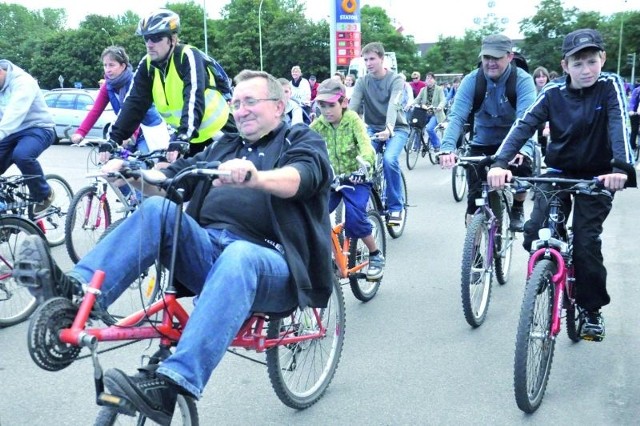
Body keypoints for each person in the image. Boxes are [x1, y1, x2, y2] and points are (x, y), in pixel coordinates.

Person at [14, 69, 334, 424]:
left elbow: (302, 177)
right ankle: (76, 295)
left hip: (273, 263)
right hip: (211, 252)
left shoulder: (298, 139)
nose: (240, 110)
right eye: (236, 102)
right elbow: (171, 179)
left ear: (279, 105)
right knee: (156, 209)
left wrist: (255, 178)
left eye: (250, 102)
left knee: (240, 255)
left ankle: (174, 383)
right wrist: (133, 175)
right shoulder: (225, 145)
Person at [486, 28, 634, 342]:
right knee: (534, 229)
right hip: (559, 171)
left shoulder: (609, 86)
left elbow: (620, 123)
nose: (586, 70)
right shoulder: (552, 91)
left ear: (602, 59)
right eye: (578, 63)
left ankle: (591, 311)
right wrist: (500, 163)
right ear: (565, 65)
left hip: (598, 176)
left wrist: (620, 168)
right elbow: (524, 124)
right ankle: (549, 269)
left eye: (592, 61)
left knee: (585, 242)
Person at [106, 8, 235, 161]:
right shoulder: (147, 65)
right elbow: (135, 102)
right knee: (164, 173)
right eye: (146, 38)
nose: (149, 44)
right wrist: (114, 138)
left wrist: (183, 136)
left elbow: (193, 98)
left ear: (172, 39)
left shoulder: (187, 56)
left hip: (218, 130)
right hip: (189, 136)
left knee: (229, 179)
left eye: (156, 38)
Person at [439, 34, 537, 230]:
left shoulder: (523, 81)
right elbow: (457, 117)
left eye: (497, 58)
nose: (490, 63)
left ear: (509, 56)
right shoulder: (472, 80)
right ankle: (474, 252)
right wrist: (447, 148)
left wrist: (522, 149)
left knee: (523, 172)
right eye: (486, 58)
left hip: (513, 142)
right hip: (482, 142)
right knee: (473, 201)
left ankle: (518, 206)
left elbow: (525, 121)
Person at [310, 78, 385, 279]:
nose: (326, 111)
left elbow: (366, 144)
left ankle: (375, 253)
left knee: (354, 218)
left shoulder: (353, 120)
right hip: (332, 181)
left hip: (356, 179)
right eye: (321, 105)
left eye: (331, 105)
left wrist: (366, 163)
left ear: (343, 102)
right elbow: (302, 141)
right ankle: (330, 258)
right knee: (313, 214)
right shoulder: (319, 125)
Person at [349, 42, 410, 224]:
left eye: (372, 59)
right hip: (373, 128)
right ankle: (365, 203)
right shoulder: (362, 82)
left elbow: (394, 104)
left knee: (390, 160)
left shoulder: (396, 79)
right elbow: (352, 108)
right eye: (365, 59)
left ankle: (396, 208)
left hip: (397, 128)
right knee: (361, 160)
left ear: (382, 59)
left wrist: (389, 128)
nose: (368, 63)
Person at [70, 46, 166, 153]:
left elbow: (136, 111)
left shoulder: (135, 82)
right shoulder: (108, 86)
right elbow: (95, 111)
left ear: (123, 66)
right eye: (105, 65)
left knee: (144, 163)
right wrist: (81, 132)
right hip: (126, 130)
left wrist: (128, 135)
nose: (108, 69)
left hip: (148, 129)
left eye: (112, 65)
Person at [0, 59, 56, 214]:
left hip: (38, 128)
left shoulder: (23, 82)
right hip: (11, 132)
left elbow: (15, 113)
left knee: (22, 155)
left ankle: (45, 194)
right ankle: (4, 217)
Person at [410, 72, 446, 151]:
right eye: (427, 78)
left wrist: (440, 107)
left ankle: (437, 145)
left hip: (435, 114)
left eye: (430, 78)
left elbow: (443, 100)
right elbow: (418, 99)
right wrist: (410, 104)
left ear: (434, 80)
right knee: (417, 126)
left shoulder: (439, 89)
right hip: (424, 113)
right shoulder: (423, 90)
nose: (428, 80)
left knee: (429, 129)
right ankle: (417, 146)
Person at [532, 66, 551, 156]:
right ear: (534, 79)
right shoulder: (531, 92)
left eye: (543, 76)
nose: (541, 79)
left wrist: (547, 126)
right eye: (538, 77)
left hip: (547, 122)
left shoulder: (551, 92)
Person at [628, 84, 640, 154]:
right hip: (635, 113)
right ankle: (632, 146)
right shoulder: (637, 90)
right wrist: (631, 110)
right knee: (634, 130)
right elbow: (632, 102)